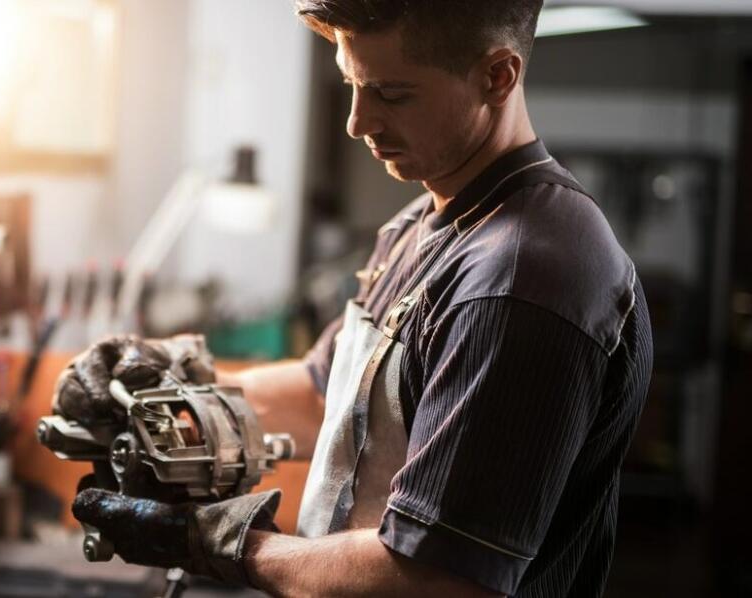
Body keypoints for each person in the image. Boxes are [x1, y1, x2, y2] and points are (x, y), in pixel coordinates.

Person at [55, 1, 653, 596]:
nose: (357, 122)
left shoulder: (522, 280)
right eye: (351, 84)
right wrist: (172, 388)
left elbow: (435, 580)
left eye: (392, 94)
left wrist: (224, 543)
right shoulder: (423, 221)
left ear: (497, 77)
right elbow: (325, 399)